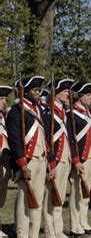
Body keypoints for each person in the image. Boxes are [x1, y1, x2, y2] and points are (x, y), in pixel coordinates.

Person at [7, 76, 53, 238]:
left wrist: (49, 161)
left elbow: (45, 136)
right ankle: (22, 234)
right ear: (24, 92)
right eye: (34, 90)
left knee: (37, 201)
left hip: (41, 160)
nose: (38, 93)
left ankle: (33, 234)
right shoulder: (16, 111)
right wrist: (22, 165)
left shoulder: (38, 110)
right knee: (24, 202)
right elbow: (14, 140)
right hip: (28, 161)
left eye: (39, 90)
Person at [43, 78, 79, 238]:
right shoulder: (48, 112)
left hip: (66, 159)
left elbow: (70, 137)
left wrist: (74, 158)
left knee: (59, 196)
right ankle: (50, 230)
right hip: (56, 160)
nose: (68, 94)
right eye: (65, 91)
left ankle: (59, 230)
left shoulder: (64, 112)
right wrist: (51, 161)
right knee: (51, 198)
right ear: (56, 93)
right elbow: (47, 139)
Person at [69, 81, 91, 236]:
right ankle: (75, 226)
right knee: (77, 193)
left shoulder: (87, 112)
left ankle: (84, 221)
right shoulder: (72, 114)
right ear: (79, 96)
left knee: (87, 193)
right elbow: (71, 140)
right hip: (81, 160)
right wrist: (76, 160)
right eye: (88, 95)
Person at [0, 85, 13, 237]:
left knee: (1, 197)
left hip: (3, 163)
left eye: (4, 99)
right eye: (1, 99)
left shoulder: (3, 118)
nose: (4, 102)